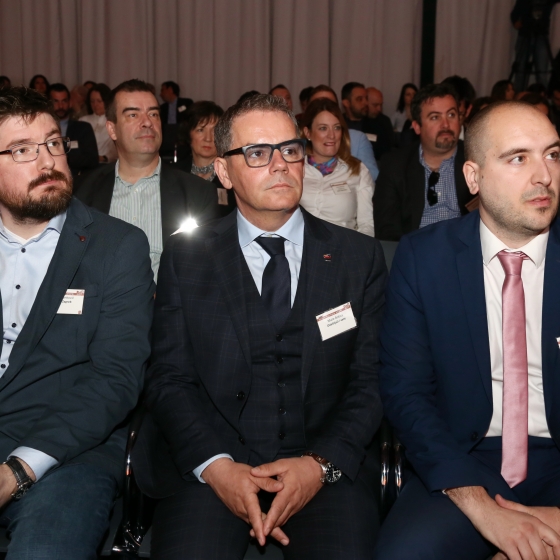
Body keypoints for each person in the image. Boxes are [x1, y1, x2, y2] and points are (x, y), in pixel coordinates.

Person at [132, 93, 386, 559]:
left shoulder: (358, 258)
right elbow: (169, 379)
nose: (280, 165)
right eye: (257, 153)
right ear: (224, 172)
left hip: (323, 467)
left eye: (290, 149)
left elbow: (370, 382)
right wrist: (217, 467)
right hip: (214, 467)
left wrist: (319, 465)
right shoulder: (187, 258)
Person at [374, 99, 560, 559]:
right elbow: (406, 394)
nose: (544, 175)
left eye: (553, 155)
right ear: (473, 177)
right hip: (462, 459)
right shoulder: (424, 259)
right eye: (518, 158)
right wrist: (483, 509)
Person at [0, 86, 154, 559]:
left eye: (52, 143)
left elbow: (116, 378)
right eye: (22, 150)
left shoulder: (117, 246)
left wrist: (19, 468)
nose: (47, 161)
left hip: (69, 451)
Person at [74, 79, 219, 280]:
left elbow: (202, 273)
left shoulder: (197, 193)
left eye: (153, 114)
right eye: (133, 115)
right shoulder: (81, 192)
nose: (147, 122)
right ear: (112, 129)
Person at [374, 83, 475, 241]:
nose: (446, 124)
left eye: (451, 115)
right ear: (416, 126)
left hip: (466, 248)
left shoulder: (476, 159)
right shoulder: (395, 165)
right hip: (415, 249)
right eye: (435, 117)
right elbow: (387, 230)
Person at [300, 98, 374, 237]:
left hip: (343, 247)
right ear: (308, 133)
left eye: (337, 127)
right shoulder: (294, 169)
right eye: (323, 128)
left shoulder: (358, 171)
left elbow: (366, 226)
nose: (332, 135)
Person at [175, 100, 236, 217]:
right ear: (188, 134)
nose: (208, 138)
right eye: (200, 130)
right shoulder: (174, 174)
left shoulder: (232, 175)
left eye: (214, 131)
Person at [309, 85, 379, 181]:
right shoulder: (297, 151)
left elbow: (372, 178)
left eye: (330, 105)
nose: (324, 109)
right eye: (317, 105)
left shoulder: (357, 139)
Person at [48, 83, 99, 178]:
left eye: (64, 101)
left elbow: (92, 160)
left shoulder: (83, 128)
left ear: (70, 102)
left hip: (77, 180)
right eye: (56, 101)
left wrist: (64, 157)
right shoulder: (42, 129)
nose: (60, 106)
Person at [79, 83, 117, 163]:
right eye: (92, 101)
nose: (95, 105)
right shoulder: (83, 120)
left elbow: (118, 148)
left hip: (107, 164)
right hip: (85, 165)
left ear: (107, 101)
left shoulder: (114, 121)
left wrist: (104, 158)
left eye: (99, 101)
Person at [159, 81, 193, 160]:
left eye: (163, 90)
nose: (160, 94)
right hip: (167, 134)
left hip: (182, 133)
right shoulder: (162, 107)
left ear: (170, 90)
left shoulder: (186, 103)